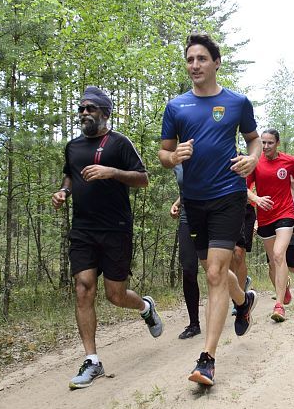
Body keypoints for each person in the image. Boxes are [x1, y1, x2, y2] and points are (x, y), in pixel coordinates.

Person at [159, 33, 261, 386]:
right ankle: (243, 300)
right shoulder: (176, 107)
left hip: (228, 195)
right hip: (193, 201)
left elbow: (254, 139)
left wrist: (252, 159)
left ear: (216, 63)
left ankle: (207, 359)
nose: (195, 65)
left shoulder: (237, 102)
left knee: (215, 273)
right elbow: (163, 154)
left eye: (201, 59)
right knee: (213, 270)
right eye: (190, 60)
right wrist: (173, 157)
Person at [53, 86, 163, 390]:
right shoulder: (73, 146)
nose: (84, 113)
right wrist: (64, 191)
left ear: (105, 112)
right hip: (83, 229)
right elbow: (70, 175)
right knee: (83, 288)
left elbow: (143, 179)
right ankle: (92, 361)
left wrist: (112, 172)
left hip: (116, 228)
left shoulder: (119, 143)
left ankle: (145, 307)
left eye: (90, 108)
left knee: (115, 295)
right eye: (81, 109)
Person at [247, 129, 294, 322]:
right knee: (273, 262)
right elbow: (245, 188)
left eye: (270, 143)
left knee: (280, 254)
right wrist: (256, 198)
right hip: (264, 216)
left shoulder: (289, 161)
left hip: (285, 212)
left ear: (277, 143)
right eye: (263, 143)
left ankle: (279, 306)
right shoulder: (255, 162)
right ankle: (284, 289)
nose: (266, 146)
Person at [170, 164, 201, 339]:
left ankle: (240, 301)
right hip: (187, 219)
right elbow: (186, 189)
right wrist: (176, 203)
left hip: (211, 219)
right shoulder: (177, 163)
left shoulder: (210, 152)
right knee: (189, 269)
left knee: (216, 269)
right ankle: (194, 324)